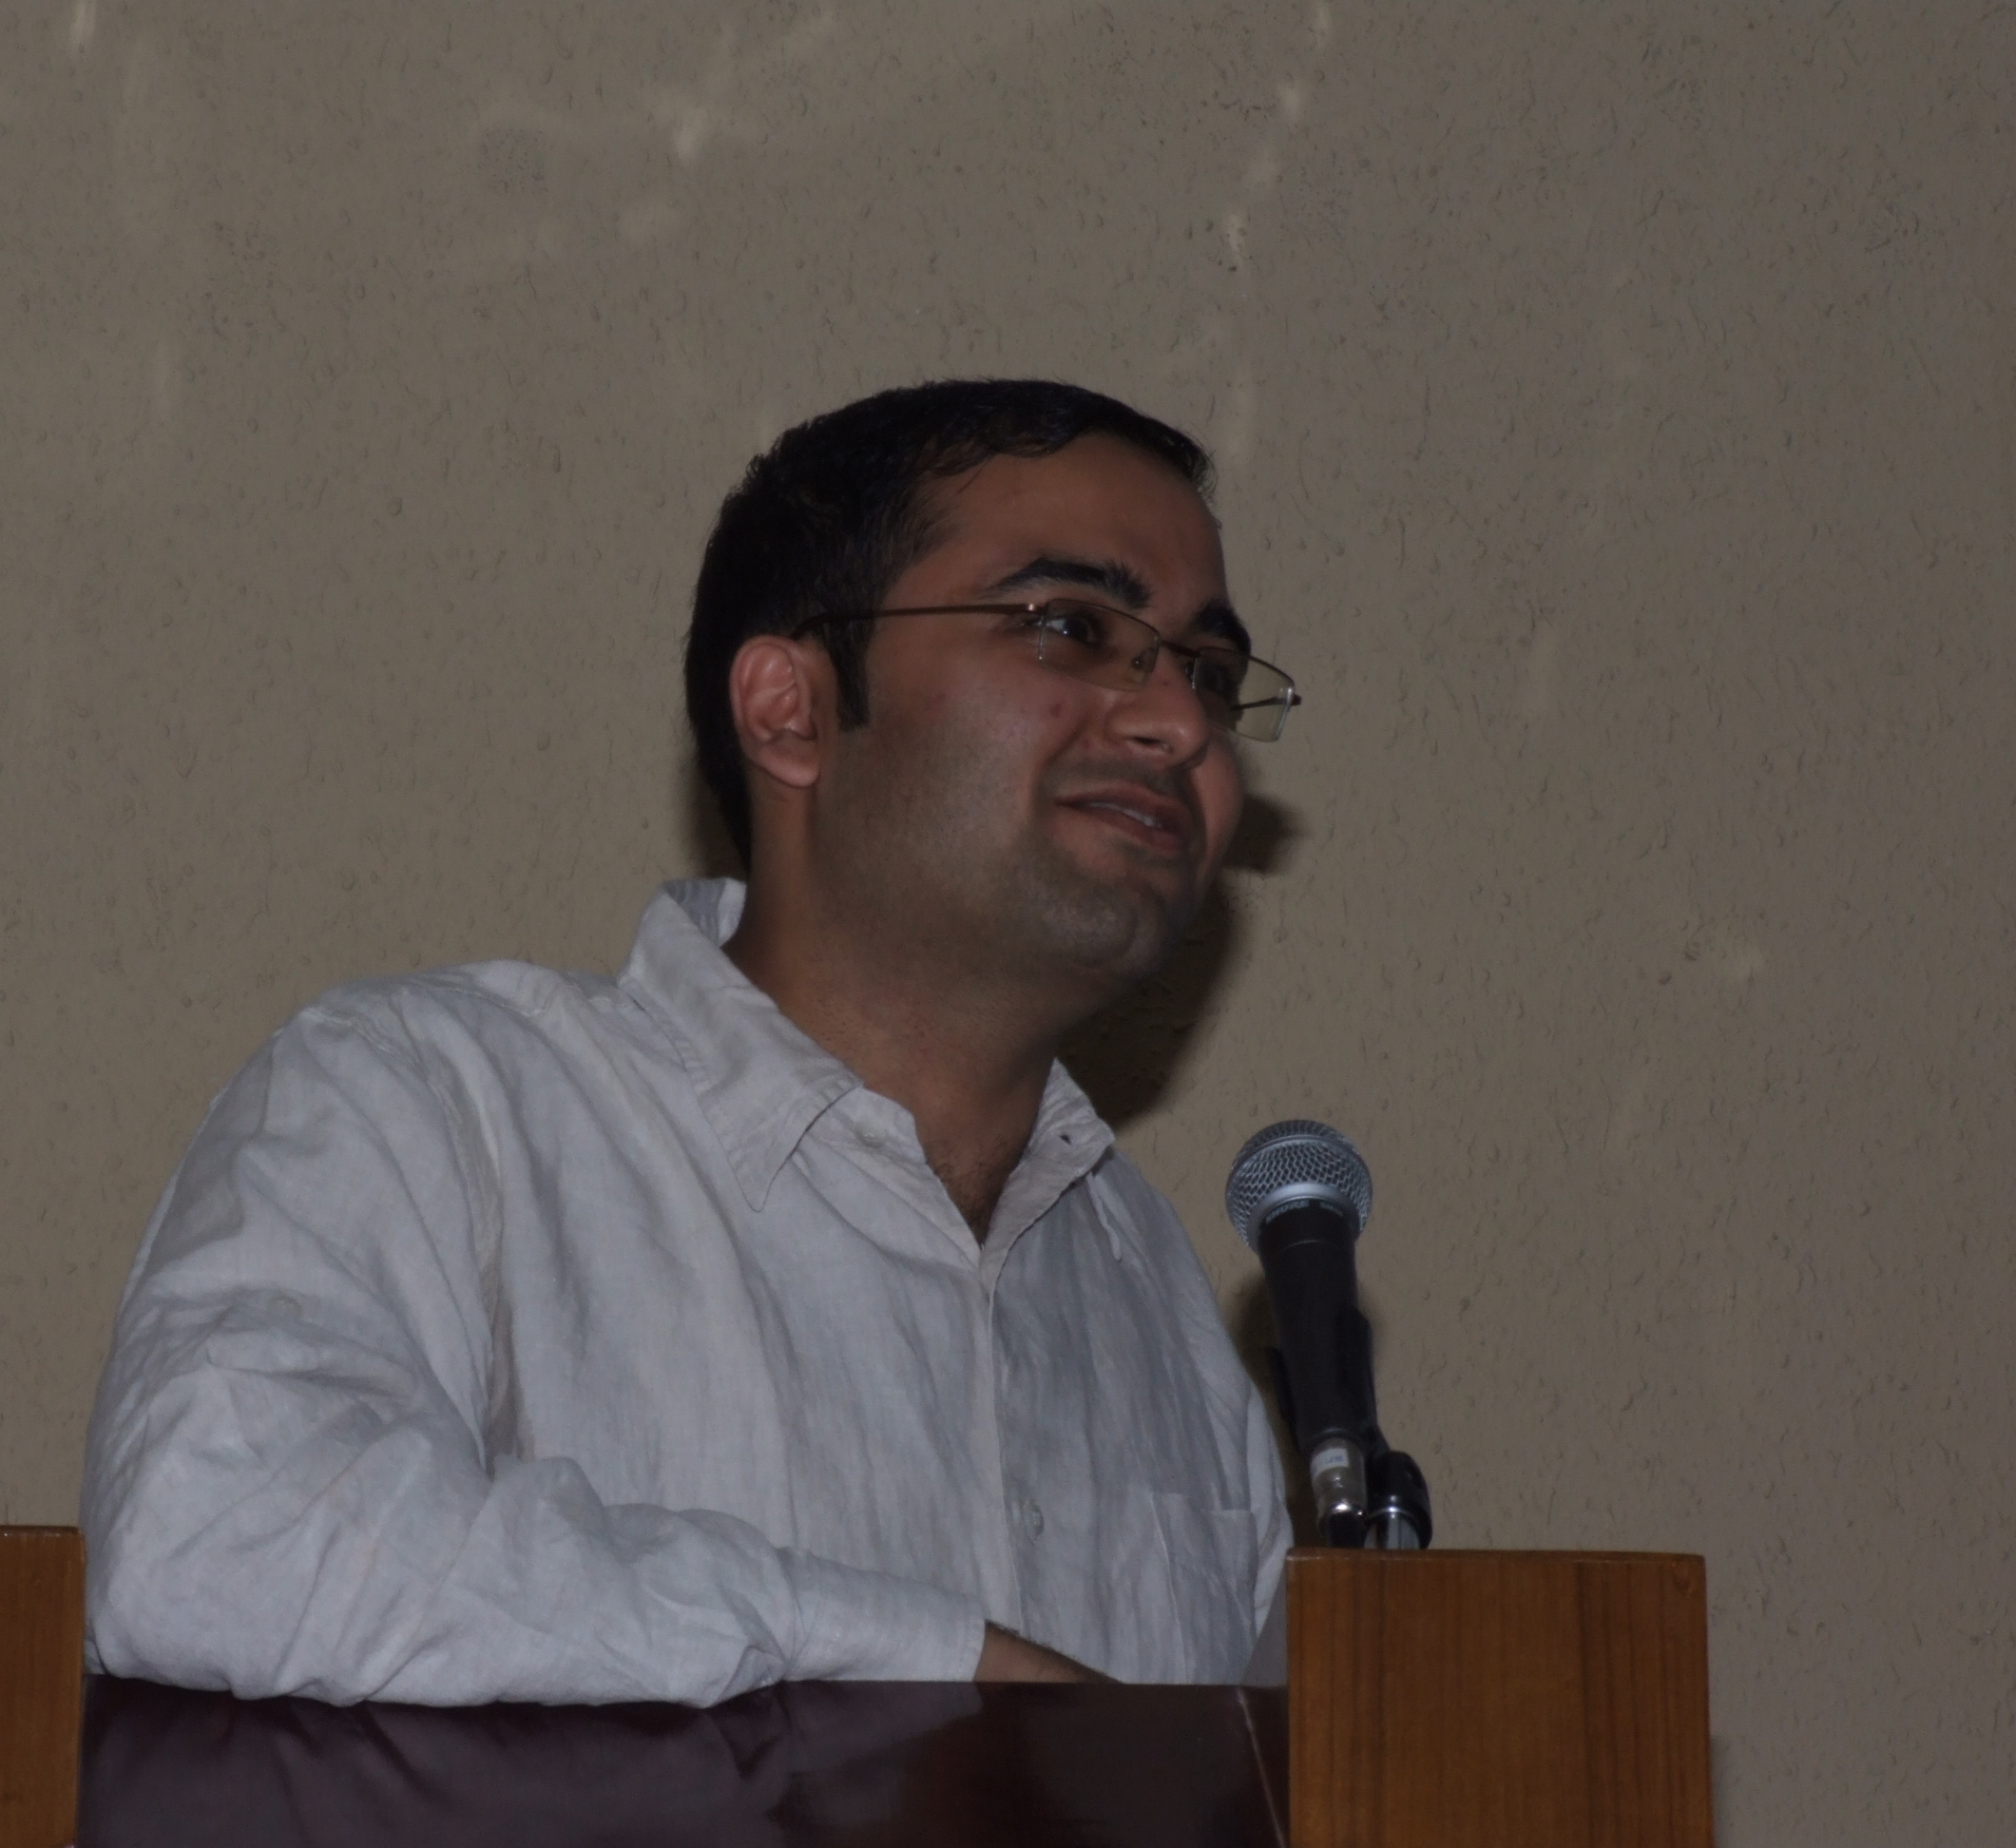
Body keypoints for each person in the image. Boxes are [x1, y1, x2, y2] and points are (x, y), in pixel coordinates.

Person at [81, 379, 1301, 1706]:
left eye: (1208, 672)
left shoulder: (1151, 1292)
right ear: (789, 710)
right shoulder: (437, 1106)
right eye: (1071, 627)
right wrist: (901, 1658)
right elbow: (212, 1531)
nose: (1179, 722)